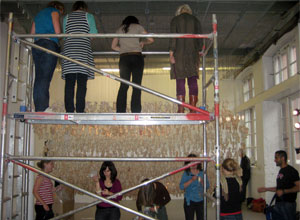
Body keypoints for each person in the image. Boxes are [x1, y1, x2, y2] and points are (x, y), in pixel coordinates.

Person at [111, 16, 154, 113]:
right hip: (136, 57)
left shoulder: (119, 29)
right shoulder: (138, 27)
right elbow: (151, 39)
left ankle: (120, 111)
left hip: (124, 58)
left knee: (124, 85)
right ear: (136, 21)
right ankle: (136, 110)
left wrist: (122, 49)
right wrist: (143, 42)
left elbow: (113, 46)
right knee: (136, 85)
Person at [62, 1, 98, 113]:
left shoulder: (66, 17)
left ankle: (69, 109)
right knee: (82, 84)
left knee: (69, 84)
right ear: (84, 8)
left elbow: (64, 34)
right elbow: (93, 34)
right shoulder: (89, 16)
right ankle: (80, 109)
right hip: (82, 51)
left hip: (69, 52)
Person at [31, 1, 65, 112]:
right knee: (45, 77)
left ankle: (39, 106)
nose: (60, 14)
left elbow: (32, 33)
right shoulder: (54, 12)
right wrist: (58, 36)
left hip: (37, 45)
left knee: (39, 77)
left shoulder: (38, 14)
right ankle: (43, 108)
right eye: (61, 12)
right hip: (49, 45)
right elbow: (58, 32)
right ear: (57, 7)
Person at [169, 4, 202, 113]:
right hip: (193, 53)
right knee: (192, 80)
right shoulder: (196, 20)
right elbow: (200, 38)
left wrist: (171, 53)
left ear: (180, 11)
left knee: (180, 80)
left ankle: (181, 108)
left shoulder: (175, 20)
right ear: (189, 11)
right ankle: (192, 107)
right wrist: (200, 50)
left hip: (179, 53)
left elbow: (173, 38)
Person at [257, 150, 300, 220]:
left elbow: (298, 187)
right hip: (279, 204)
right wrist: (266, 189)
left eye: (276, 158)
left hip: (288, 205)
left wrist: (284, 191)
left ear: (283, 158)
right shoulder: (281, 171)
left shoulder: (292, 171)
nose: (275, 160)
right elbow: (279, 188)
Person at [179, 154, 209, 220]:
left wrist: (201, 181)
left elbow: (207, 186)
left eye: (195, 162)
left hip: (201, 200)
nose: (194, 164)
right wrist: (191, 180)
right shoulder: (186, 173)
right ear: (188, 163)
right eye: (191, 162)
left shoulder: (202, 172)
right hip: (189, 201)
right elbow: (181, 186)